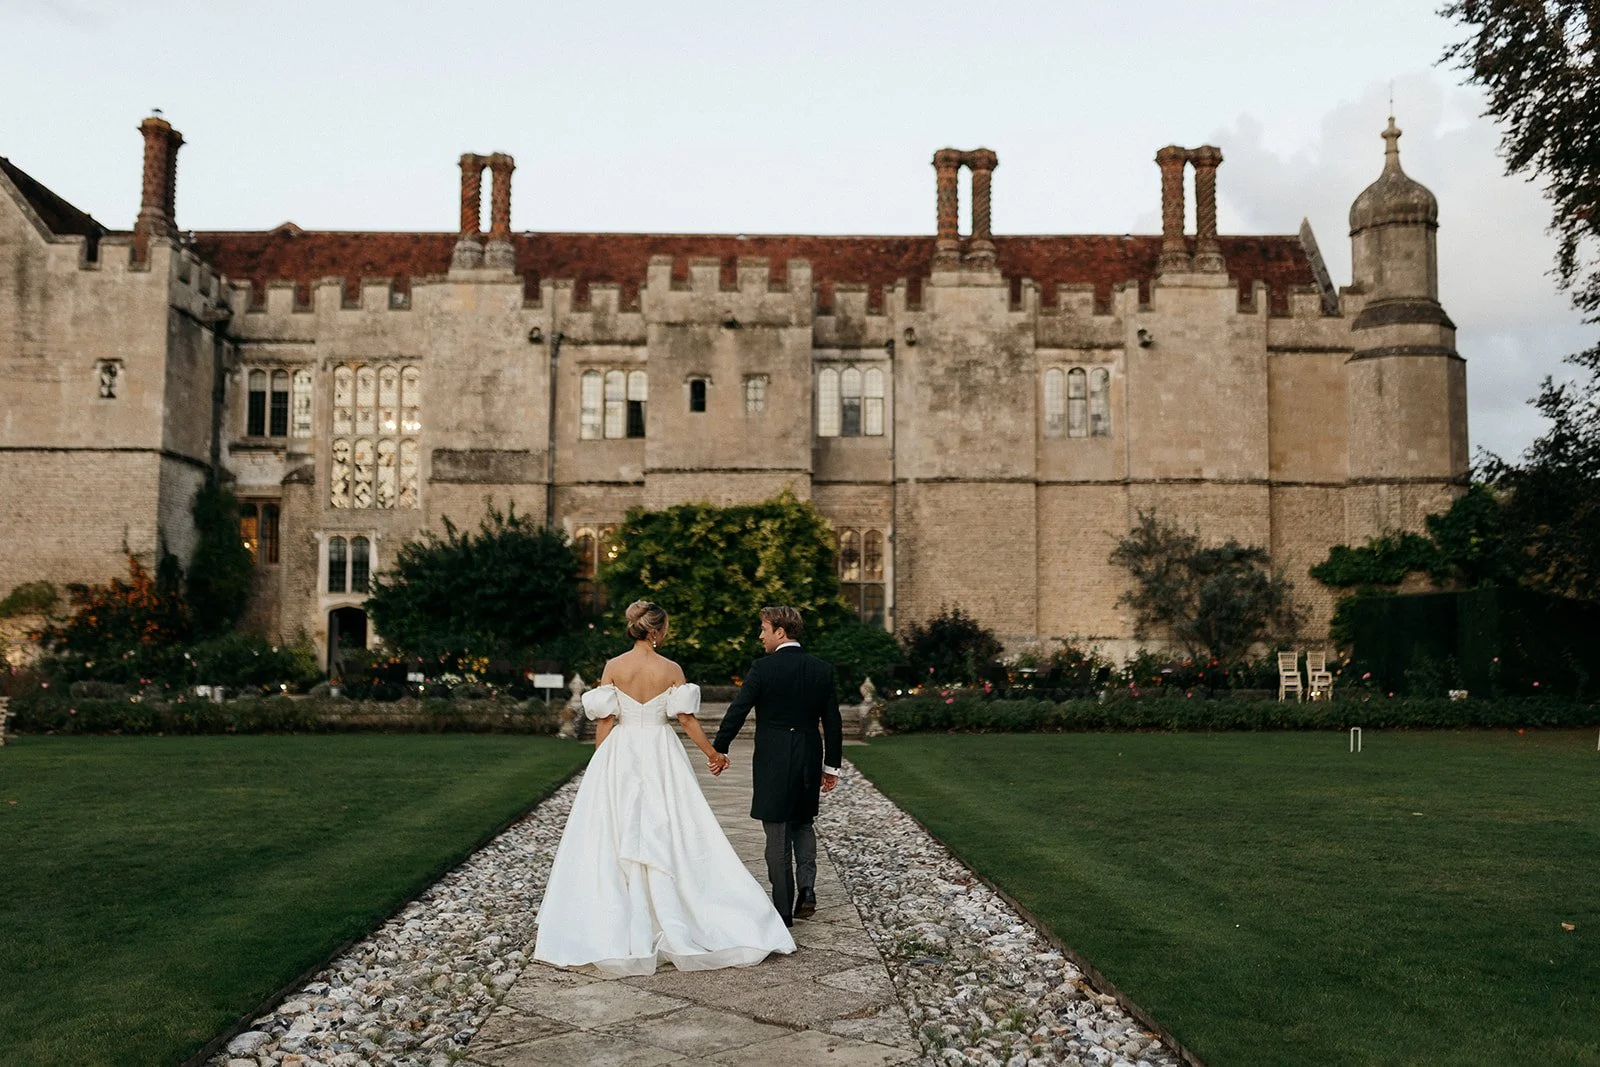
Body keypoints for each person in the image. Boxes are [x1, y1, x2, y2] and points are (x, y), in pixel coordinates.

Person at [532, 601, 795, 976]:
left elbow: (605, 721)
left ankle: (615, 916)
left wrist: (599, 763)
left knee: (616, 827)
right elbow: (686, 720)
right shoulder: (670, 669)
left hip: (621, 751)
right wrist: (713, 754)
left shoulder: (614, 667)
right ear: (656, 631)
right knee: (671, 825)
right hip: (659, 748)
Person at [712, 605, 843, 926]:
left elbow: (738, 710)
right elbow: (834, 723)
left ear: (780, 632)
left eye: (764, 629)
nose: (760, 636)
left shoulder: (762, 669)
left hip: (773, 757)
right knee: (803, 822)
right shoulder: (821, 669)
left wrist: (719, 748)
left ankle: (783, 910)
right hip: (809, 754)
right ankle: (808, 889)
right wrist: (832, 767)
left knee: (776, 830)